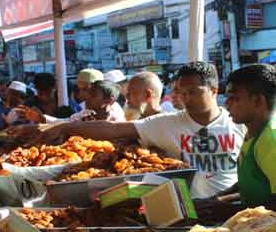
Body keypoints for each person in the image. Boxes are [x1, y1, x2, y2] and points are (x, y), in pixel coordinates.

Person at [38, 62, 245, 199]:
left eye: (192, 92)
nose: (185, 98)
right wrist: (65, 126)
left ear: (214, 90)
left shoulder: (240, 123)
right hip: (183, 210)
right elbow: (112, 130)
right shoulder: (166, 123)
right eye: (182, 92)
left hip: (229, 209)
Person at [222, 64, 276, 217]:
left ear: (258, 101)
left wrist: (222, 211)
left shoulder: (272, 142)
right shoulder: (253, 133)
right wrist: (218, 198)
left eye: (233, 97)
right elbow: (253, 180)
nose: (226, 103)